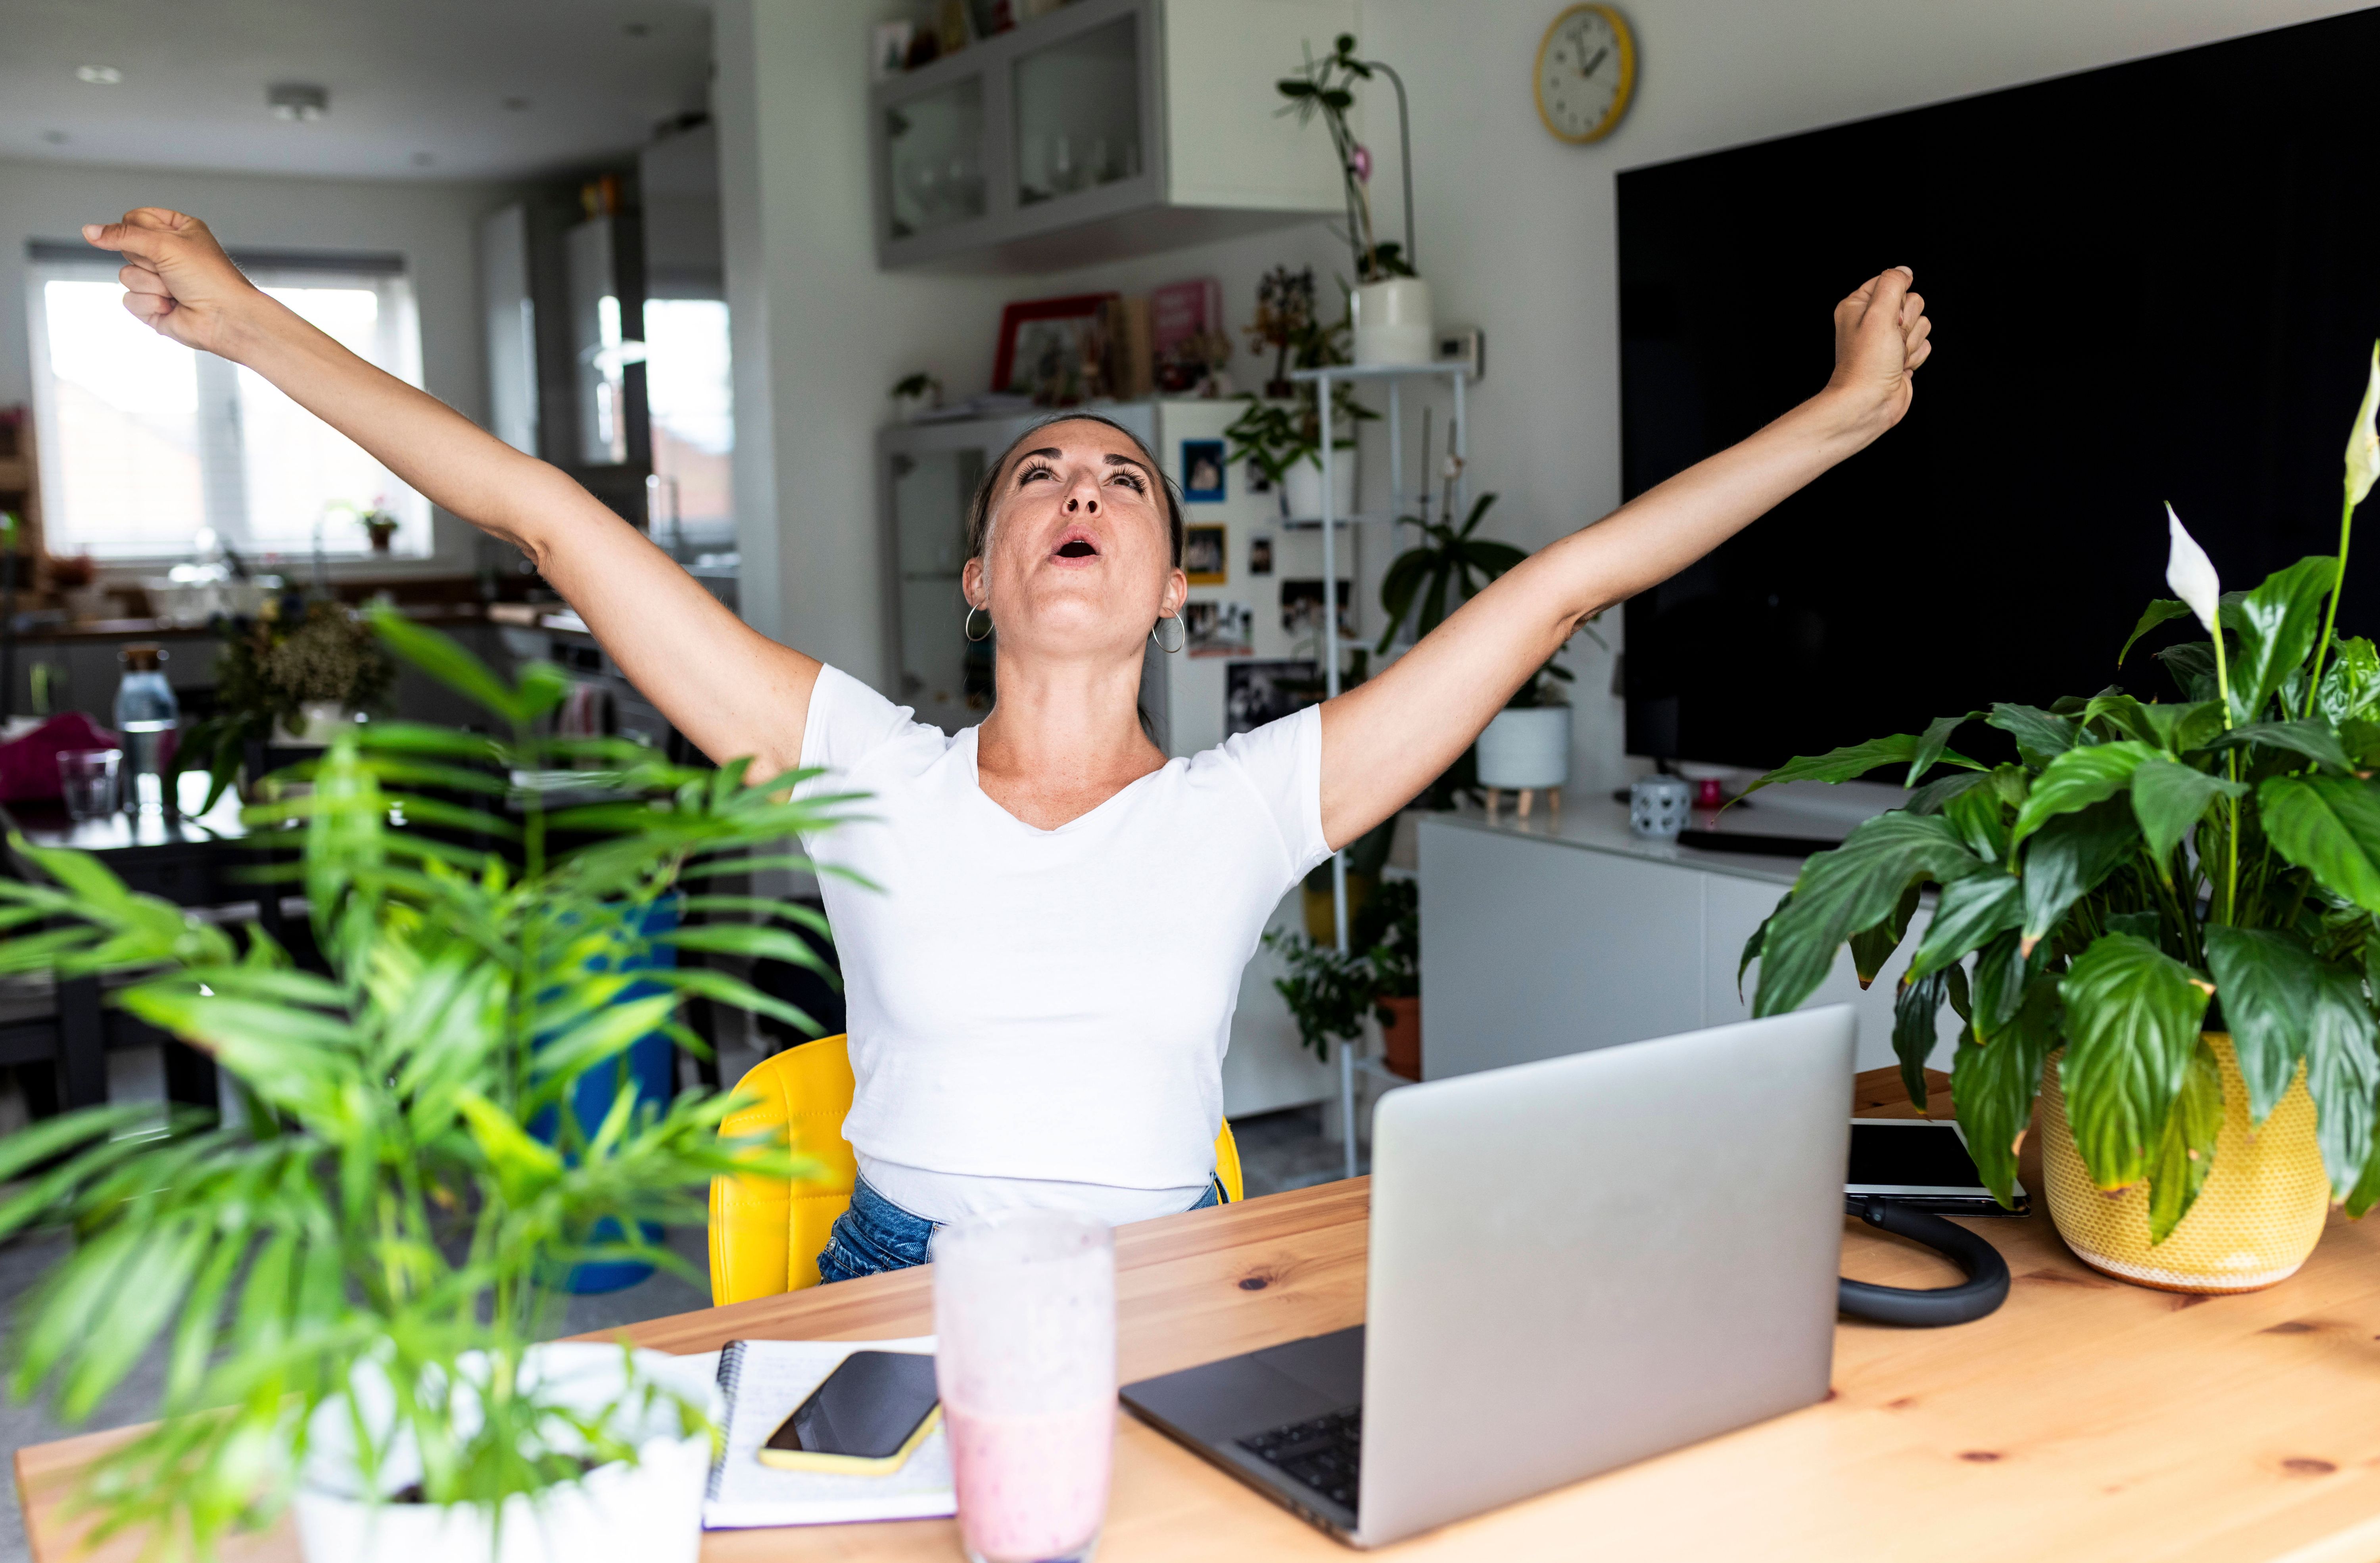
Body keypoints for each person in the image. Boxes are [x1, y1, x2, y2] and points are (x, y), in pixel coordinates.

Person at [81, 208, 1932, 1281]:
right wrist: (252, 327)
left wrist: (1840, 422)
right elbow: (554, 519)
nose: (1078, 489)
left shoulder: (1246, 802)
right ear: (981, 572)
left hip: (1175, 1283)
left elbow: (1552, 592)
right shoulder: (859, 760)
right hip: (894, 1286)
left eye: (1119, 482)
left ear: (1170, 582)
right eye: (1038, 476)